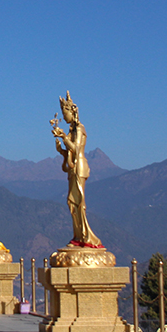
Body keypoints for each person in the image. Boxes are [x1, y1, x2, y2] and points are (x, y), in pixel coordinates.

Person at [50, 91, 102, 248]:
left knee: (79, 201)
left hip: (80, 167)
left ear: (71, 112)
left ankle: (86, 237)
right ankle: (78, 235)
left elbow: (77, 149)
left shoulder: (79, 129)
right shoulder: (72, 130)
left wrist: (63, 137)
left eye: (65, 113)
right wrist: (61, 150)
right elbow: (70, 152)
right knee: (71, 202)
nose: (64, 117)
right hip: (73, 167)